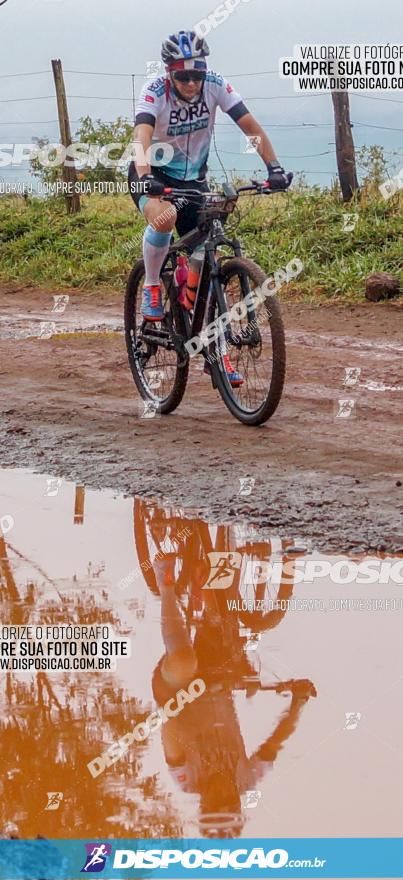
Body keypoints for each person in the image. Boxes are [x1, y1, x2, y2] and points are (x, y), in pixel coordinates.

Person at [128, 30, 291, 387]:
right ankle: (153, 287)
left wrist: (274, 167)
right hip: (152, 173)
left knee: (206, 255)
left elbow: (250, 126)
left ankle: (213, 351)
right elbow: (141, 136)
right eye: (183, 76)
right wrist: (144, 177)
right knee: (165, 217)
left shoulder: (217, 85)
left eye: (196, 75)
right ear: (169, 73)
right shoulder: (155, 91)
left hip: (193, 181)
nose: (190, 83)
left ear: (205, 71)